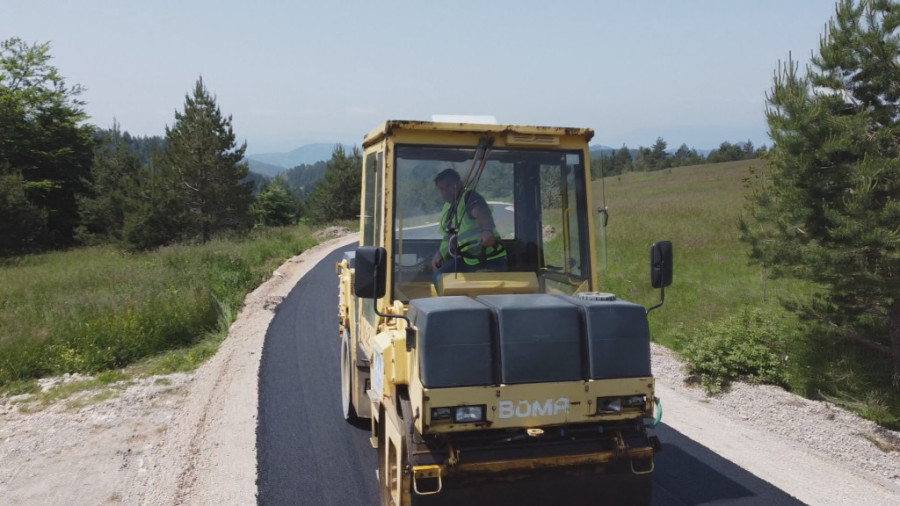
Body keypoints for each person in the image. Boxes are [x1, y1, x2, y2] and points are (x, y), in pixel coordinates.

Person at [430, 168, 508, 291]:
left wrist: (486, 231)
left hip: (491, 258)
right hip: (469, 259)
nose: (445, 192)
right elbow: (448, 235)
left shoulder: (470, 197)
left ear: (458, 183)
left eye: (449, 186)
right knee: (439, 276)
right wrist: (440, 254)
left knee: (494, 293)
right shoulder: (448, 207)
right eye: (442, 189)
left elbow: (481, 212)